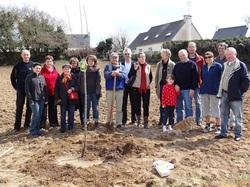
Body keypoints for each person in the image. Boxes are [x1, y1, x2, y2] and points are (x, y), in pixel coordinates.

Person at [215, 47, 250, 141]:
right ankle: (223, 133)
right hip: (224, 94)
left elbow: (246, 81)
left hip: (235, 96)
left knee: (238, 116)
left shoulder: (241, 65)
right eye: (227, 55)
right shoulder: (224, 65)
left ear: (235, 54)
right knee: (224, 115)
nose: (228, 56)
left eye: (230, 54)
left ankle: (238, 134)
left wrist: (240, 92)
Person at [173, 49, 198, 122]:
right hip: (178, 90)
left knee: (188, 107)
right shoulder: (177, 65)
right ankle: (180, 122)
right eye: (180, 56)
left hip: (188, 90)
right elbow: (174, 77)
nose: (182, 57)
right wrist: (175, 85)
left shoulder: (192, 64)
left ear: (187, 54)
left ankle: (189, 124)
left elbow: (195, 78)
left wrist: (192, 89)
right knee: (179, 107)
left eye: (183, 55)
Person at [200, 51, 222, 133]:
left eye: (209, 57)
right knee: (205, 108)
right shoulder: (203, 67)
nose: (207, 59)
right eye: (206, 57)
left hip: (214, 91)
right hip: (204, 90)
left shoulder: (218, 66)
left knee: (215, 108)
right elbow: (202, 77)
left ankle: (219, 126)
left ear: (213, 57)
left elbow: (221, 79)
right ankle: (208, 125)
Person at [128, 52, 153, 128]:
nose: (142, 58)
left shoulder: (148, 66)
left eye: (144, 57)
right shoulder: (134, 65)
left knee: (146, 105)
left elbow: (150, 77)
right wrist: (134, 70)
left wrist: (147, 84)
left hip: (146, 89)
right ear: (138, 58)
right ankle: (138, 121)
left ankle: (146, 122)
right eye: (141, 57)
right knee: (137, 105)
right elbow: (129, 76)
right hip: (136, 88)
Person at [214, 42, 235, 130]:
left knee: (231, 105)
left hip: (229, 86)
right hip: (219, 86)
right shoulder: (215, 59)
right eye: (219, 49)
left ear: (226, 49)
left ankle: (232, 124)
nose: (220, 50)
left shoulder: (229, 59)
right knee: (221, 106)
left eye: (222, 49)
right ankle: (223, 124)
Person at [10, 49, 33, 131]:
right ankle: (17, 126)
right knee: (19, 107)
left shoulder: (32, 64)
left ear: (30, 55)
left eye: (27, 54)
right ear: (21, 55)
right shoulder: (17, 65)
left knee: (29, 107)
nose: (26, 56)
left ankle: (27, 124)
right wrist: (16, 87)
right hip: (21, 90)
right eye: (24, 55)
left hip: (30, 90)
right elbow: (12, 77)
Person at [104, 52, 126, 128]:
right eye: (113, 57)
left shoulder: (122, 67)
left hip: (119, 90)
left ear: (118, 58)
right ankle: (109, 121)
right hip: (110, 90)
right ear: (110, 59)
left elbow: (124, 76)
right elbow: (106, 75)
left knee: (119, 108)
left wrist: (118, 74)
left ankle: (118, 123)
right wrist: (112, 73)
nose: (115, 59)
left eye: (116, 57)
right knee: (110, 107)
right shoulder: (107, 66)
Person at [55, 64, 79, 133]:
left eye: (68, 69)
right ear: (62, 70)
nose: (67, 70)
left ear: (70, 70)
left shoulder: (73, 77)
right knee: (63, 115)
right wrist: (57, 98)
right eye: (65, 69)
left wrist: (72, 89)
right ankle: (63, 128)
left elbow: (77, 86)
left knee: (71, 114)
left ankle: (70, 127)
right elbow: (56, 89)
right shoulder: (59, 78)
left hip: (72, 99)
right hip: (63, 99)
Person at [25, 63, 47, 136]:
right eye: (36, 68)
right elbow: (27, 90)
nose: (38, 69)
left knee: (40, 115)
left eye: (39, 68)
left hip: (41, 99)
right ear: (33, 68)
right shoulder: (29, 77)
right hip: (34, 100)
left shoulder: (42, 77)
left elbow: (44, 88)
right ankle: (32, 130)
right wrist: (30, 100)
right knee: (36, 115)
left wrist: (45, 98)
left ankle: (38, 130)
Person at [79, 55, 101, 128]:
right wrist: (83, 91)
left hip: (94, 92)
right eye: (89, 60)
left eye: (92, 61)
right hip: (86, 92)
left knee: (95, 107)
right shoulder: (83, 70)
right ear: (87, 61)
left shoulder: (97, 70)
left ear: (95, 62)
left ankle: (96, 120)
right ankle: (86, 121)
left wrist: (98, 92)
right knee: (86, 107)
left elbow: (98, 82)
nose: (91, 62)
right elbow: (81, 81)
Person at [155, 48, 175, 126]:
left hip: (170, 87)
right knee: (162, 103)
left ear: (167, 55)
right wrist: (156, 86)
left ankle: (170, 120)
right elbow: (156, 76)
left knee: (170, 104)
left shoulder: (172, 64)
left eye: (162, 54)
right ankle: (162, 119)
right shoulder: (159, 64)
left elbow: (174, 76)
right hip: (161, 86)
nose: (161, 55)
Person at [187, 42, 205, 126]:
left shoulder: (201, 59)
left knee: (198, 102)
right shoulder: (184, 57)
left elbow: (204, 71)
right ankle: (189, 121)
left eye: (193, 47)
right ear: (187, 48)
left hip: (197, 84)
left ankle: (199, 120)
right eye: (190, 47)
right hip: (187, 85)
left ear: (195, 48)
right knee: (188, 103)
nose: (191, 48)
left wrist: (202, 82)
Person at [41, 55, 59, 128]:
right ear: (45, 62)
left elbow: (58, 79)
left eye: (50, 61)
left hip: (53, 93)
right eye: (47, 61)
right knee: (44, 109)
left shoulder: (54, 70)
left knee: (53, 109)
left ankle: (53, 123)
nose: (49, 63)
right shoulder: (42, 70)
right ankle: (42, 124)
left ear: (52, 62)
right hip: (44, 93)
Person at [121, 48, 136, 126]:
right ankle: (124, 120)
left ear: (131, 55)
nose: (127, 55)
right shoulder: (121, 64)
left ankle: (134, 120)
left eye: (128, 54)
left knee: (133, 103)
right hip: (124, 85)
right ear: (124, 55)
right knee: (124, 103)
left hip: (133, 86)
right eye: (125, 54)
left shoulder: (135, 64)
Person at [69, 57, 83, 124]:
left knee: (81, 107)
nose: (74, 64)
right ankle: (71, 121)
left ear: (77, 63)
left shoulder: (81, 71)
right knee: (72, 108)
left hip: (80, 91)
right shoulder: (69, 70)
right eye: (72, 63)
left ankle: (83, 121)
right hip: (72, 92)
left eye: (75, 63)